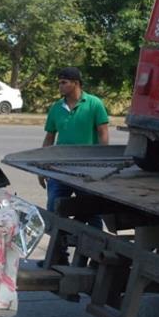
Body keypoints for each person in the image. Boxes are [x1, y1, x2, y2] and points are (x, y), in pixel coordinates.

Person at [39, 67, 110, 227]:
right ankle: (59, 250)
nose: (60, 86)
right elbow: (49, 137)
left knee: (91, 212)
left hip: (87, 170)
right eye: (59, 83)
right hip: (59, 169)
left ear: (76, 83)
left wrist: (102, 165)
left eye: (64, 83)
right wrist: (41, 167)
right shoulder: (56, 108)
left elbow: (103, 133)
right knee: (54, 210)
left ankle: (95, 248)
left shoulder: (94, 104)